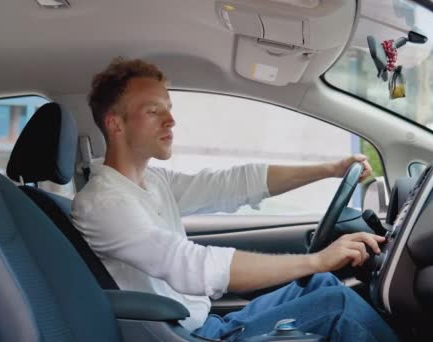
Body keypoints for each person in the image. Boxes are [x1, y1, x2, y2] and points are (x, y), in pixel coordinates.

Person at [71, 57, 398, 341]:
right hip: (183, 335)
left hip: (205, 323)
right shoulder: (104, 204)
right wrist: (317, 258)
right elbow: (191, 266)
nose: (171, 121)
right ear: (116, 124)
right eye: (154, 111)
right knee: (338, 306)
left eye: (169, 110)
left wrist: (329, 169)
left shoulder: (152, 182)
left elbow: (232, 184)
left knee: (321, 283)